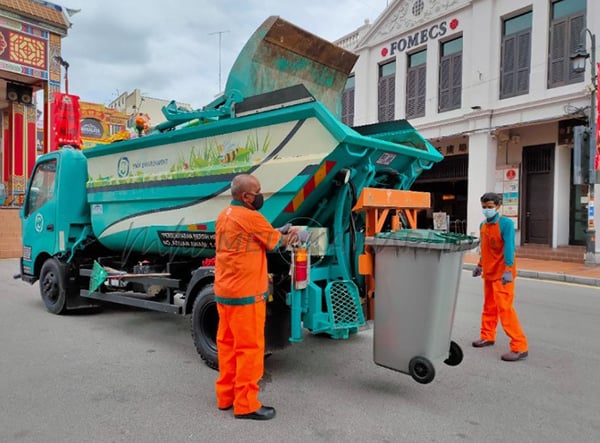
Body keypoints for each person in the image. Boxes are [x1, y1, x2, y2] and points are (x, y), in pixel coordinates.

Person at [213, 174, 306, 420]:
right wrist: (295, 235)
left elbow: (248, 239)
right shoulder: (251, 217)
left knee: (228, 346)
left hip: (224, 292)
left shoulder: (225, 215)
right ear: (246, 197)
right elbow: (277, 243)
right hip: (246, 295)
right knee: (250, 349)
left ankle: (226, 397)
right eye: (258, 191)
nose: (261, 195)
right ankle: (246, 404)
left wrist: (274, 230)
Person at [471, 192, 528, 362]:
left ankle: (519, 346)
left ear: (497, 206)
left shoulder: (506, 224)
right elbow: (486, 249)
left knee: (505, 309)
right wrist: (480, 265)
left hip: (503, 274)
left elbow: (509, 247)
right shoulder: (483, 226)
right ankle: (487, 336)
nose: (487, 210)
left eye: (490, 207)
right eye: (484, 207)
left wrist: (509, 270)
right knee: (489, 306)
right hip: (489, 272)